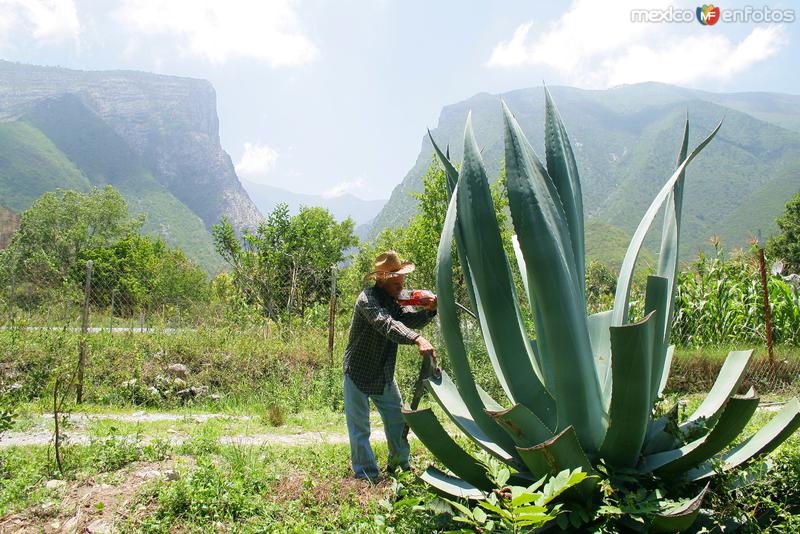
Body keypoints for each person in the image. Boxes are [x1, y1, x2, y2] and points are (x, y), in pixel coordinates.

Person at [343, 250, 437, 481]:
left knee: (397, 419)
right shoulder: (368, 300)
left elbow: (408, 319)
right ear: (382, 280)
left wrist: (430, 310)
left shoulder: (395, 300)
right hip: (358, 371)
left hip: (384, 371)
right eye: (396, 280)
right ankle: (366, 475)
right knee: (360, 428)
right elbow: (387, 325)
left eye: (402, 279)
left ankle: (400, 467)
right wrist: (417, 339)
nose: (401, 284)